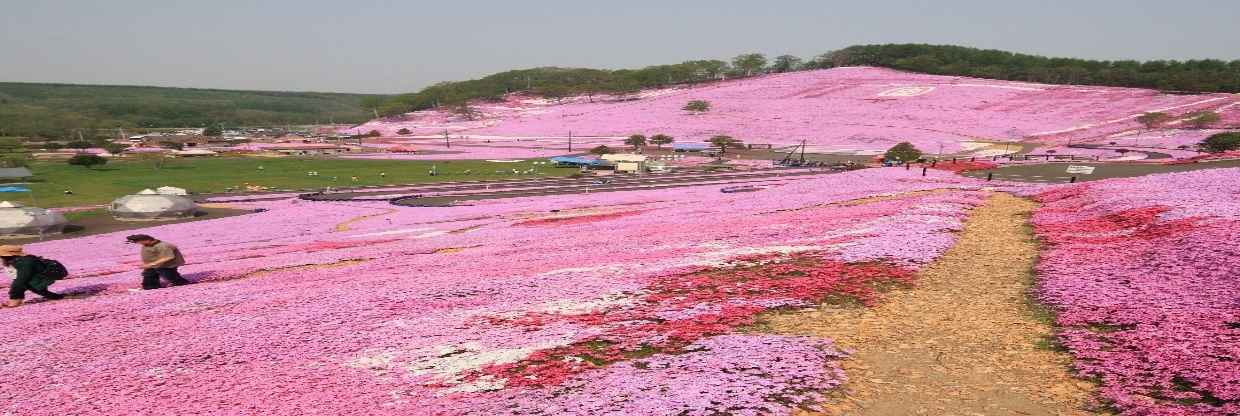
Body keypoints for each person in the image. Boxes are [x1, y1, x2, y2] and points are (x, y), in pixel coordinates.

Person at [126, 234, 191, 290]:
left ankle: (181, 283)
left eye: (138, 242)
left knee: (169, 274)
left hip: (167, 264)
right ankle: (151, 287)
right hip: (154, 264)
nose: (139, 244)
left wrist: (152, 264)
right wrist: (147, 265)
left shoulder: (163, 245)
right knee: (149, 275)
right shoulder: (147, 245)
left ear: (146, 240)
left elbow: (169, 257)